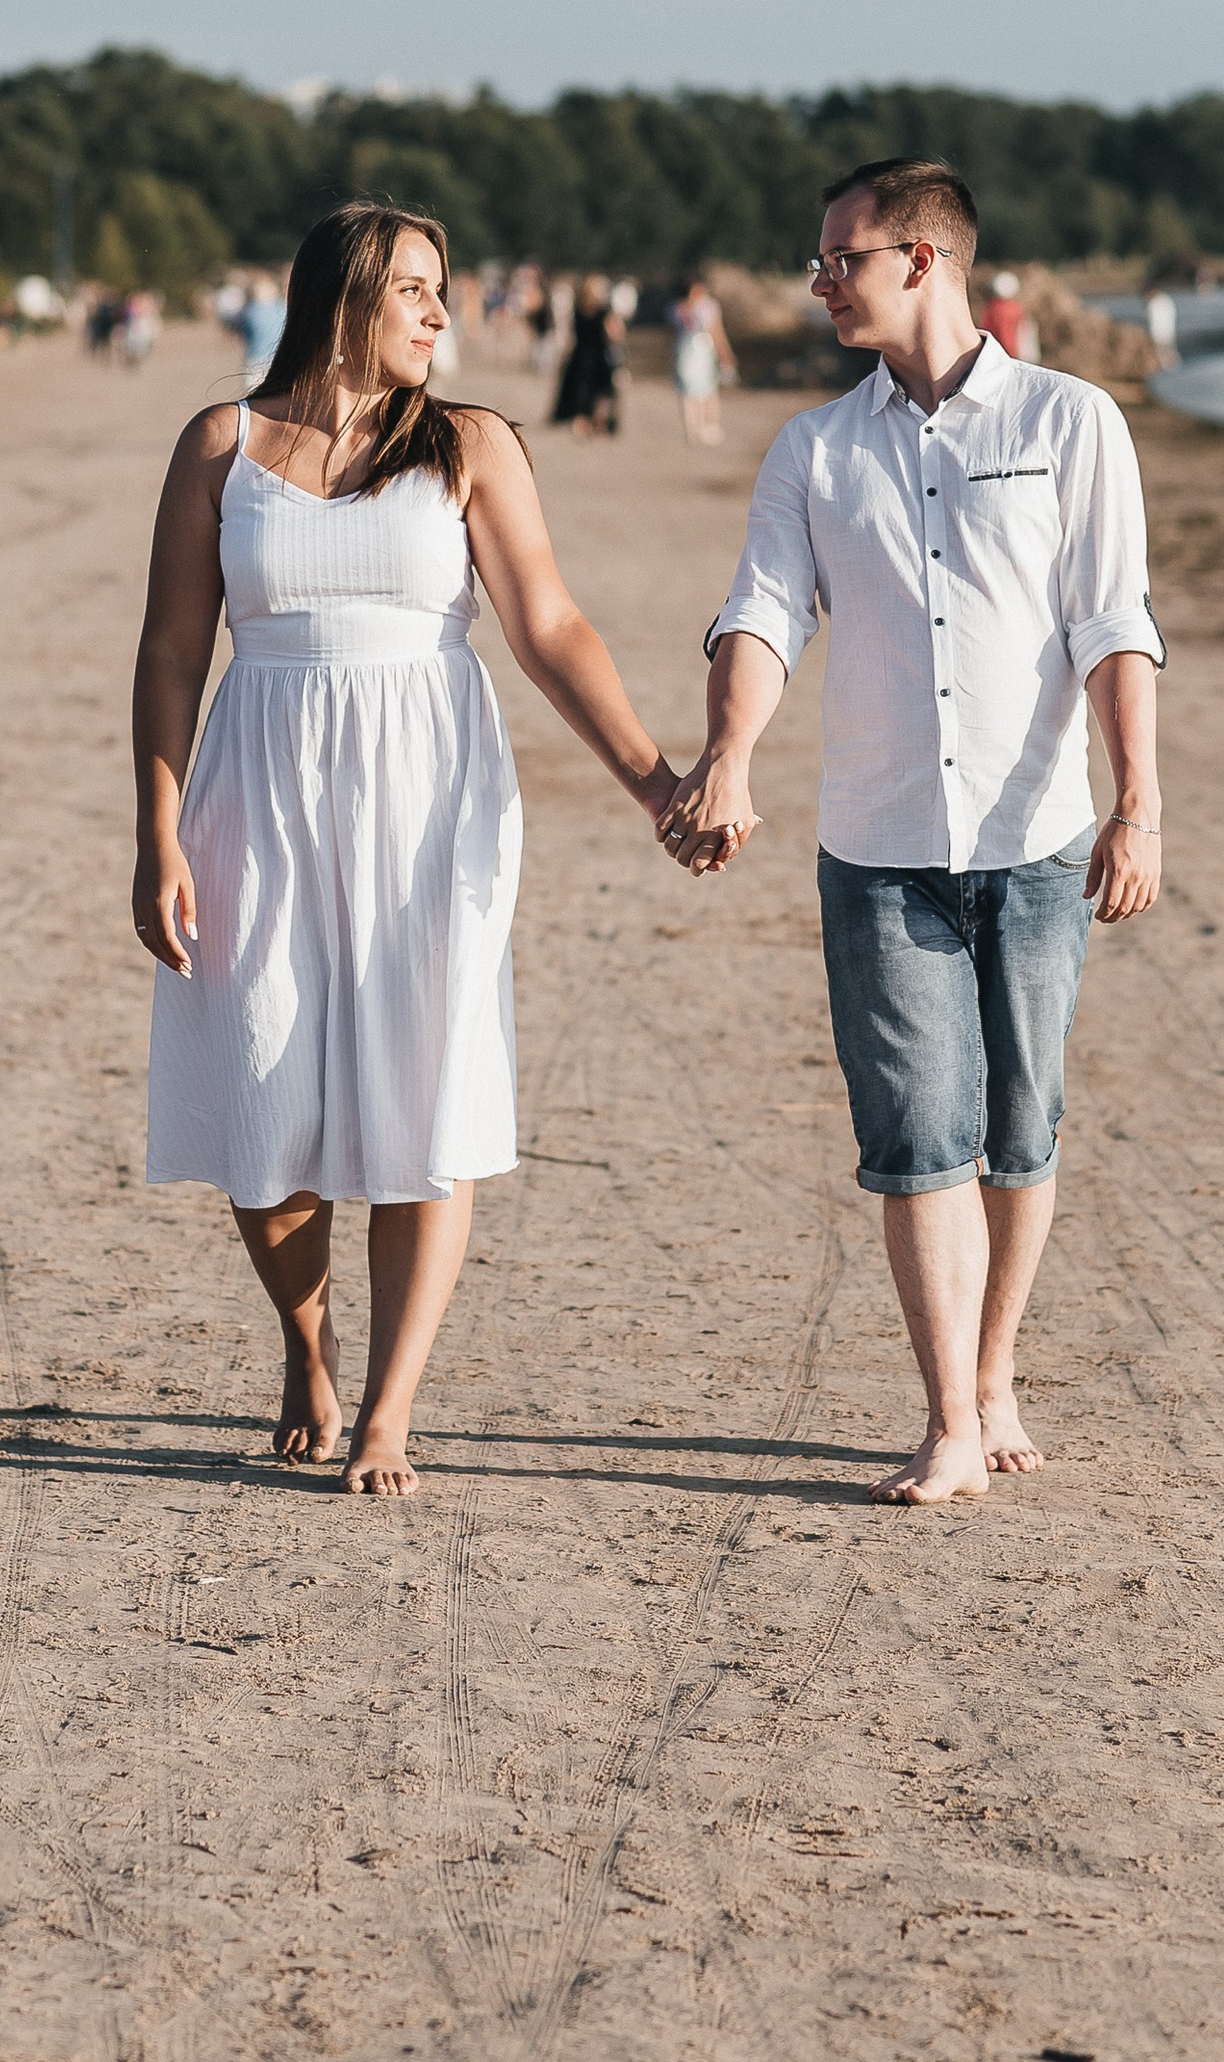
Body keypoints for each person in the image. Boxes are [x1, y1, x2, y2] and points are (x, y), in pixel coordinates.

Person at [132, 202, 678, 1495]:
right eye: (418, 290)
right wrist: (154, 827)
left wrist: (658, 783)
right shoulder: (224, 443)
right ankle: (308, 1344)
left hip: (427, 789)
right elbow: (170, 648)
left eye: (447, 292)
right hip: (256, 782)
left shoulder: (471, 446)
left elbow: (549, 627)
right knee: (262, 1081)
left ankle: (390, 1408)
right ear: (345, 297)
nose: (444, 314)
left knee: (423, 1088)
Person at [661, 159, 1163, 1511]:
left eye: (842, 259)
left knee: (1020, 1123)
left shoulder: (1073, 423)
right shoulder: (815, 449)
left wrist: (1138, 807)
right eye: (822, 261)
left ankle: (996, 1370)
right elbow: (764, 613)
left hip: (1042, 837)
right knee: (917, 1130)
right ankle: (949, 1416)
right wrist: (730, 754)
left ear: (923, 260)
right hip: (879, 845)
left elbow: (1112, 623)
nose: (820, 282)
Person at [551, 275, 619, 437]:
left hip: (580, 355)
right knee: (603, 391)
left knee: (580, 392)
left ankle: (581, 424)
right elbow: (614, 334)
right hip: (599, 356)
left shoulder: (578, 309)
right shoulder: (604, 311)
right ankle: (600, 426)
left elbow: (571, 335)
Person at [671, 277, 735, 445]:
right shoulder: (705, 307)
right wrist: (725, 355)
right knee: (704, 390)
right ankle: (702, 428)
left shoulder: (677, 308)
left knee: (693, 391)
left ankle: (695, 429)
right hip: (699, 350)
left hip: (688, 351)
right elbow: (716, 332)